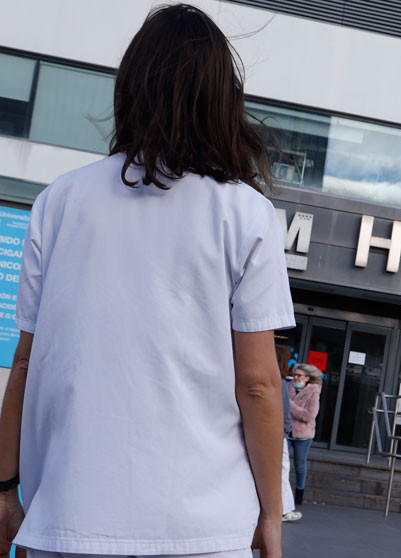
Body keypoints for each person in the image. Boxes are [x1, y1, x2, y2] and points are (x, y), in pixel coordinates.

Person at [0, 5, 293, 558]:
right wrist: (272, 515)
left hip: (65, 521)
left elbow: (25, 362)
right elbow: (258, 383)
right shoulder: (246, 215)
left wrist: (2, 489)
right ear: (220, 99)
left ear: (131, 87)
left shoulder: (59, 202)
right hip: (204, 530)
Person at [288, 364, 322, 508]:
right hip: (285, 432)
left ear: (307, 378)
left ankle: (299, 494)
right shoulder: (287, 387)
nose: (296, 378)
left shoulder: (313, 392)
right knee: (280, 463)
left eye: (299, 375)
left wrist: (289, 405)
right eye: (295, 374)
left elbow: (309, 415)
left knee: (299, 465)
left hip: (303, 435)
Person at [275, 346, 301, 523]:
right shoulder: (281, 383)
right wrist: (287, 429)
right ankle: (285, 509)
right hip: (277, 433)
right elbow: (285, 410)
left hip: (264, 430)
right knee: (283, 470)